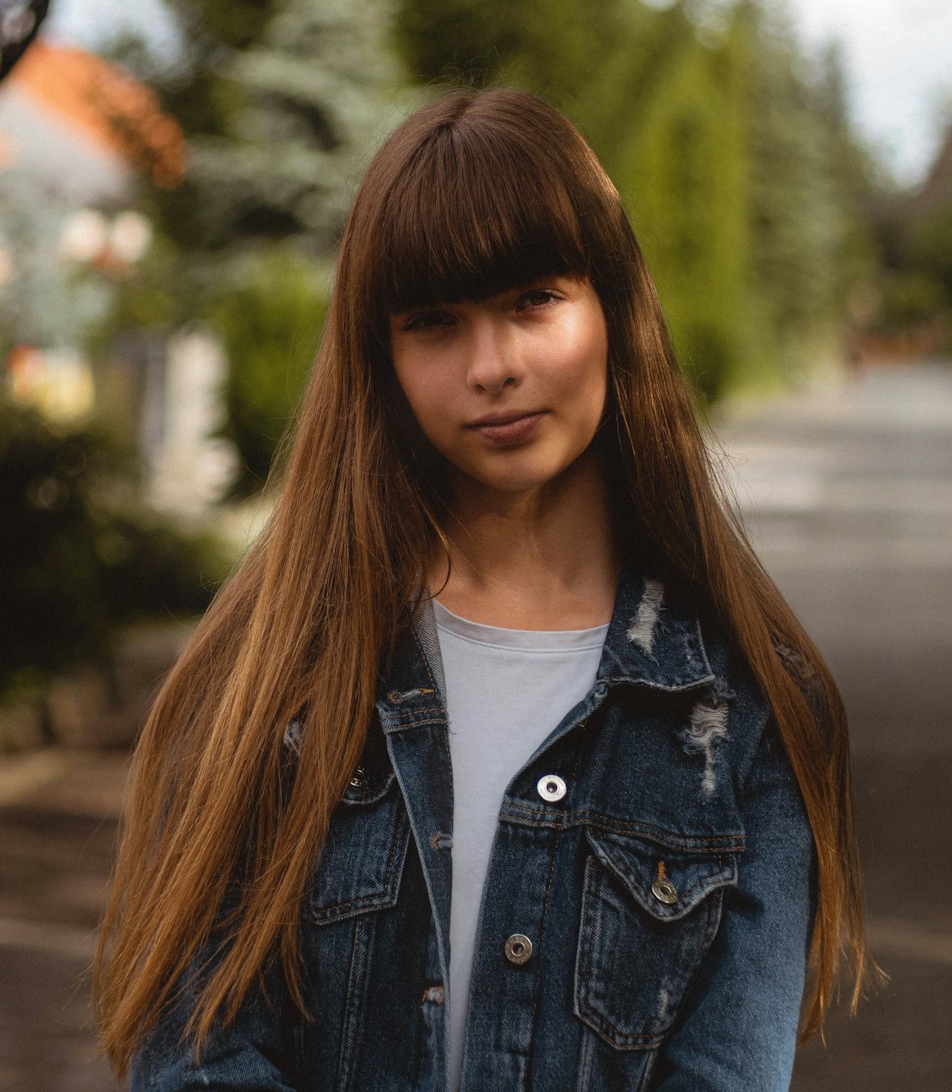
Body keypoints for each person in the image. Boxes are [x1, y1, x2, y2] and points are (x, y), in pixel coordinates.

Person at [94, 89, 868, 1091]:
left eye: (532, 300)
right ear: (383, 356)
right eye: (433, 323)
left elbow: (724, 1073)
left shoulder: (751, 709)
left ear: (613, 308)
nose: (491, 365)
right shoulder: (268, 677)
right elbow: (195, 1054)